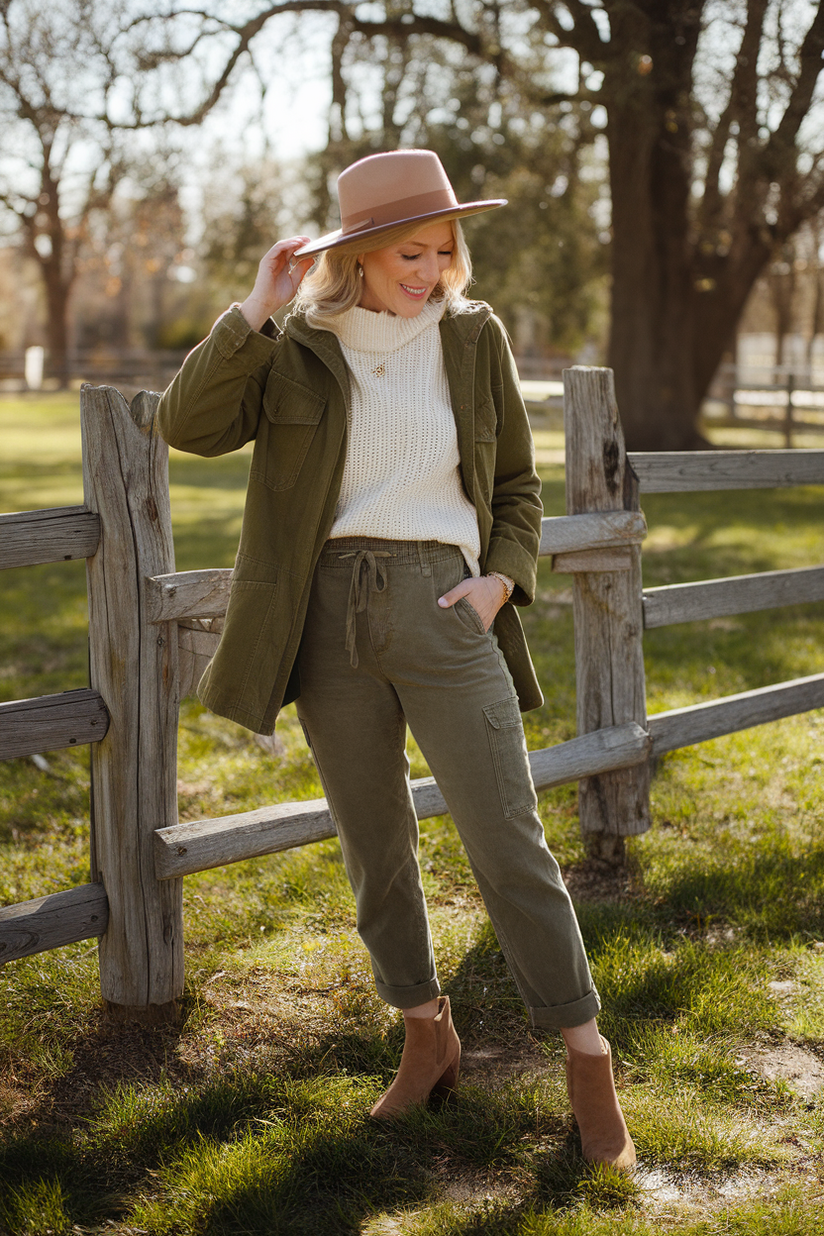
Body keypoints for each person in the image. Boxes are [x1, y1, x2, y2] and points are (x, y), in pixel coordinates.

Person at [157, 149, 635, 1170]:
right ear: (359, 255)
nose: (429, 269)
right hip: (326, 617)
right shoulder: (298, 343)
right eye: (408, 252)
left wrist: (499, 580)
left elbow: (514, 486)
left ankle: (586, 1059)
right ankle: (425, 1035)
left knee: (508, 844)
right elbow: (186, 425)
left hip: (443, 605)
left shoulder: (472, 336)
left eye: (442, 248)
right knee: (374, 846)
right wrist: (254, 306)